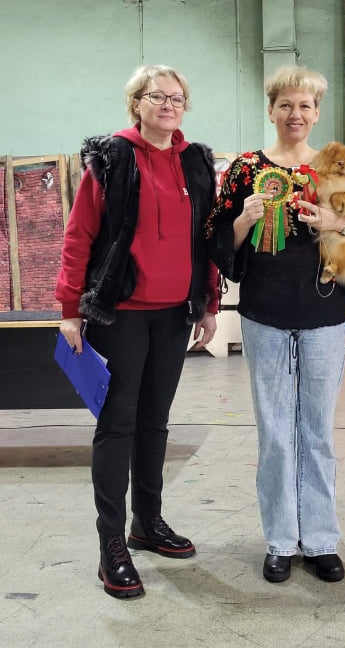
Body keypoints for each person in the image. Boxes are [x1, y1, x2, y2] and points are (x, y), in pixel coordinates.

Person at [207, 66, 345, 584]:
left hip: (324, 315)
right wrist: (243, 220)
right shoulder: (244, 170)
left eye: (305, 105)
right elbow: (217, 243)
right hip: (264, 315)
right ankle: (280, 541)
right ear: (271, 110)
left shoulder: (340, 167)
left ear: (316, 112)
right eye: (286, 105)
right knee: (275, 433)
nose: (295, 114)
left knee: (317, 432)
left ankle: (321, 539)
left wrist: (340, 223)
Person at [55, 64, 218, 599]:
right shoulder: (111, 159)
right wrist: (69, 308)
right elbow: (79, 235)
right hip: (120, 313)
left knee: (155, 423)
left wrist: (208, 302)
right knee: (117, 425)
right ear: (136, 104)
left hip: (174, 314)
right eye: (157, 96)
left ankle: (147, 522)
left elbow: (203, 239)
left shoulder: (195, 163)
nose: (168, 105)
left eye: (177, 98)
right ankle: (111, 546)